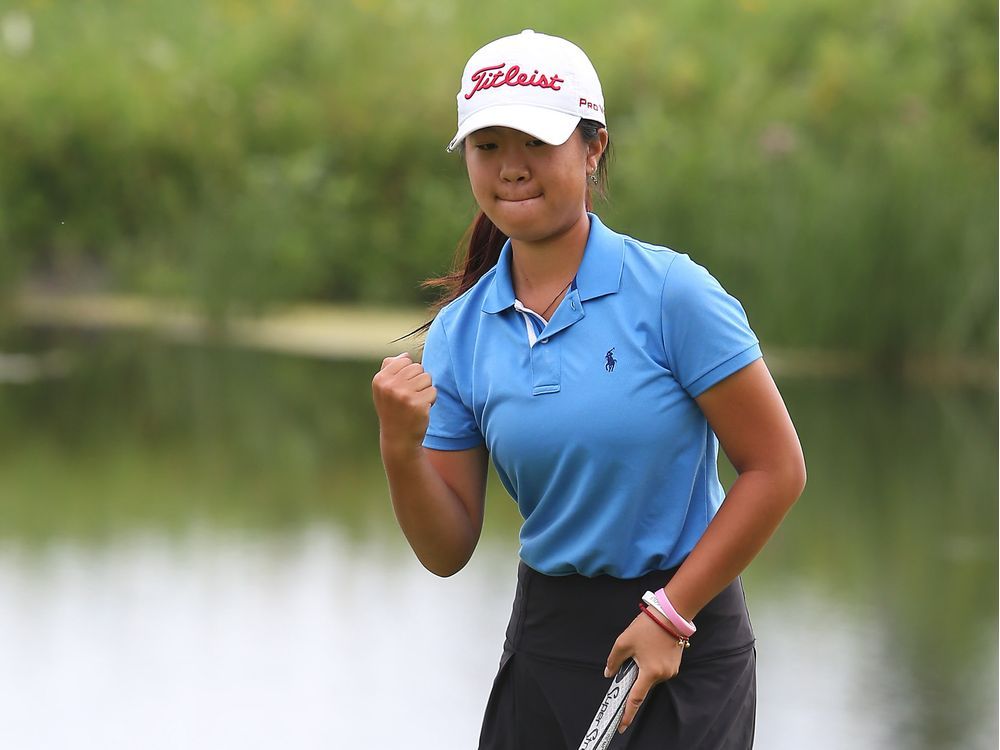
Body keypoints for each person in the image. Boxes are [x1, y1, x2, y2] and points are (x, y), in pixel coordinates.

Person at [371, 29, 806, 749]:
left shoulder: (673, 295)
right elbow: (447, 549)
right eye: (488, 146)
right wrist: (398, 447)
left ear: (593, 146)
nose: (511, 168)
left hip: (681, 635)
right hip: (546, 639)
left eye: (536, 144)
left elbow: (777, 469)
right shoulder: (461, 334)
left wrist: (671, 614)